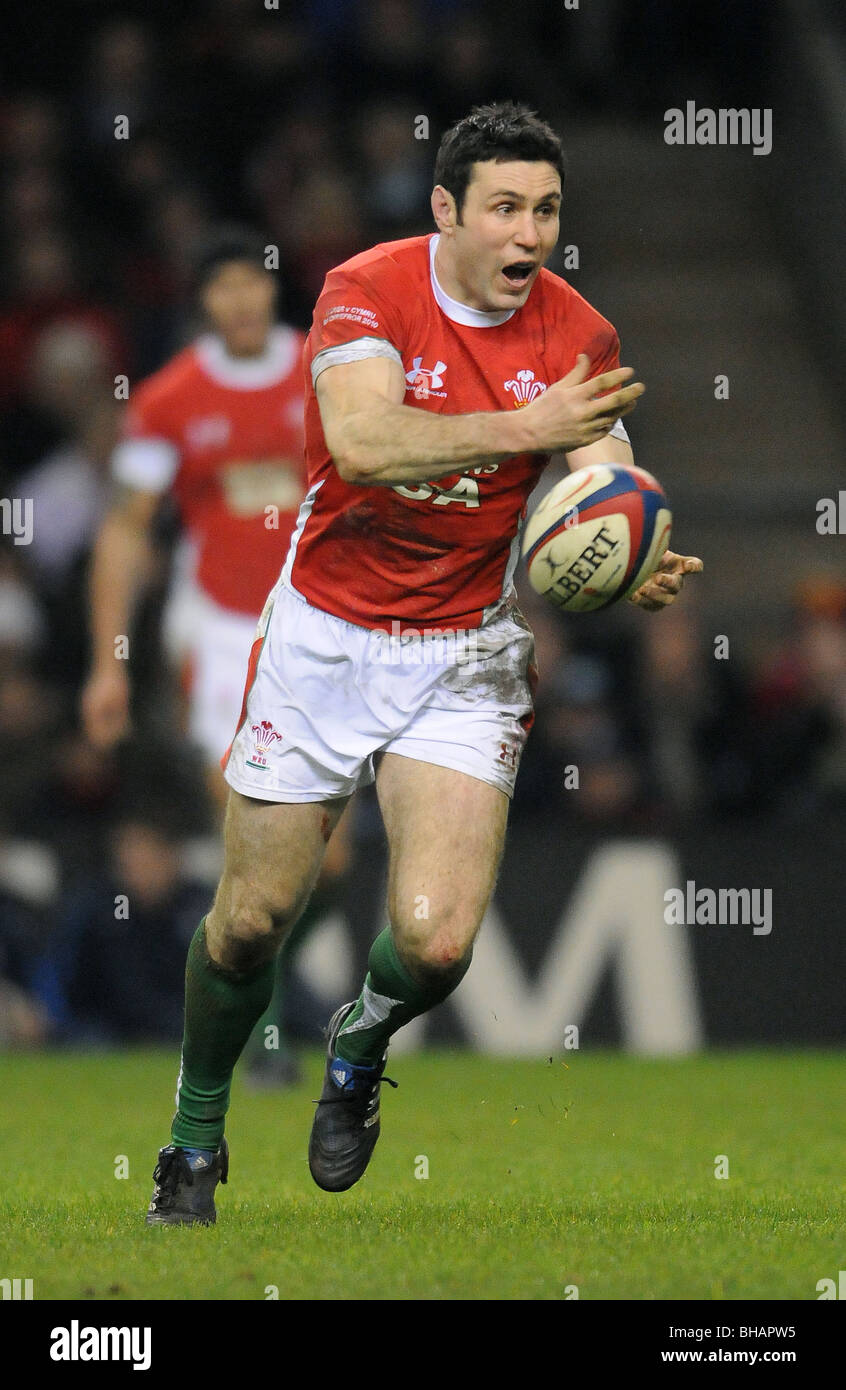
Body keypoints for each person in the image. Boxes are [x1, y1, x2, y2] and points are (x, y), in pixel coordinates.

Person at [145, 101, 702, 1225]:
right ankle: (193, 1140)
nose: (528, 234)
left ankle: (356, 1042)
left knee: (437, 940)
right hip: (322, 636)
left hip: (463, 652)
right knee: (251, 920)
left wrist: (626, 541)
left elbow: (601, 469)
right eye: (504, 207)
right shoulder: (368, 289)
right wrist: (523, 426)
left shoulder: (576, 334)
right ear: (447, 209)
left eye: (546, 210)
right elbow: (364, 439)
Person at [81, 226, 350, 1083]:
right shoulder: (167, 399)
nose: (238, 300)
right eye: (221, 286)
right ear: (203, 300)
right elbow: (124, 530)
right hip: (224, 634)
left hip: (327, 623)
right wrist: (107, 661)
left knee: (331, 861)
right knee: (253, 844)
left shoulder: (326, 369)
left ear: (272, 290)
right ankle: (258, 1037)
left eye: (251, 283)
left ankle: (251, 1001)